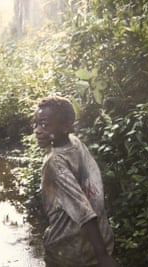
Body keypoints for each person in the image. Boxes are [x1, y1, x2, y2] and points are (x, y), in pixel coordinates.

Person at [33, 96, 119, 267]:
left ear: (65, 126)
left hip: (69, 252)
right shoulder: (75, 143)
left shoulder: (54, 162)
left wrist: (102, 256)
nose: (37, 130)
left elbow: (83, 210)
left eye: (44, 124)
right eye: (35, 124)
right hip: (98, 240)